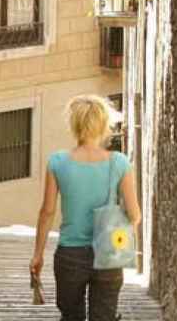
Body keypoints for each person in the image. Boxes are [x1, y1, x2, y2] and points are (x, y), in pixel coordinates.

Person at [29, 95, 142, 321]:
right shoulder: (119, 163)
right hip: (108, 254)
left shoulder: (57, 162)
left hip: (70, 255)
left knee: (71, 317)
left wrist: (38, 255)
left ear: (75, 125)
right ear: (103, 125)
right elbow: (135, 215)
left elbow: (47, 212)